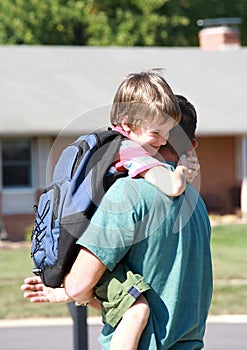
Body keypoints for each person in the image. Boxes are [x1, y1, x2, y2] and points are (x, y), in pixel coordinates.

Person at [22, 77, 212, 349]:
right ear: (191, 145)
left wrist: (68, 290)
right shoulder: (196, 202)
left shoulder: (128, 194)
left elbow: (79, 285)